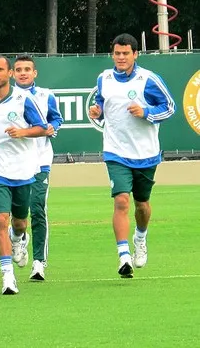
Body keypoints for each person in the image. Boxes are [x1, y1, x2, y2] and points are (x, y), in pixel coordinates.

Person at [89, 33, 176, 278]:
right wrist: (97, 112)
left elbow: (169, 107)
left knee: (142, 206)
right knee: (121, 201)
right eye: (117, 53)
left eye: (126, 53)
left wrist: (146, 111)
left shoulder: (148, 79)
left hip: (146, 153)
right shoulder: (103, 79)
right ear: (112, 54)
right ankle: (123, 255)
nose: (121, 57)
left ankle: (140, 237)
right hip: (116, 151)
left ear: (135, 54)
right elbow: (102, 106)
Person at [0, 55, 51, 295]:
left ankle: (19, 238)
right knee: (0, 220)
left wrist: (23, 132)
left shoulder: (23, 99)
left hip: (22, 169)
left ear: (9, 74)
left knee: (19, 221)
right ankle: (7, 275)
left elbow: (43, 128)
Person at [13, 55, 63, 281]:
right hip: (14, 162)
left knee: (38, 207)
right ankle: (19, 238)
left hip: (40, 159)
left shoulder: (46, 95)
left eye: (27, 69)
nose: (23, 73)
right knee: (17, 213)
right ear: (12, 74)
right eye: (19, 69)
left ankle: (39, 262)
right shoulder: (6, 97)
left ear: (35, 73)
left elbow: (56, 119)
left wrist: (53, 127)